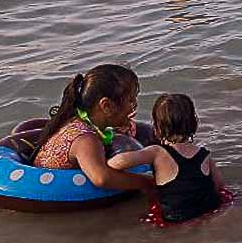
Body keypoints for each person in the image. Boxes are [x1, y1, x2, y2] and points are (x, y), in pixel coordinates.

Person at [30, 64, 154, 194]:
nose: (134, 106)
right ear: (106, 106)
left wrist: (118, 129)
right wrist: (149, 181)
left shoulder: (73, 121)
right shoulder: (86, 140)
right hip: (52, 193)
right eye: (130, 100)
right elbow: (101, 178)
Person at [108, 94, 225, 223]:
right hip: (209, 208)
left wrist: (107, 161)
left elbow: (120, 161)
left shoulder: (156, 152)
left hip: (176, 217)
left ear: (157, 129)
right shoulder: (203, 154)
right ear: (195, 123)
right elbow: (219, 185)